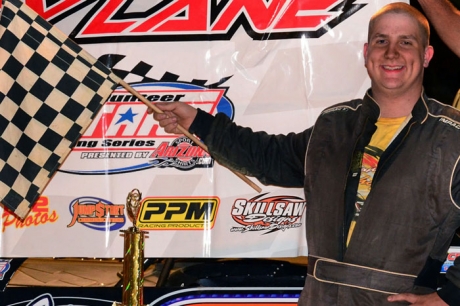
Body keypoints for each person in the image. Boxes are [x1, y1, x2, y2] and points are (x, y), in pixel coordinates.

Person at [148, 3, 460, 305]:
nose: (392, 53)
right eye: (381, 41)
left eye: (406, 42)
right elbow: (270, 156)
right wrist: (198, 122)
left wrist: (450, 296)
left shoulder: (452, 137)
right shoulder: (333, 125)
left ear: (427, 55)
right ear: (366, 54)